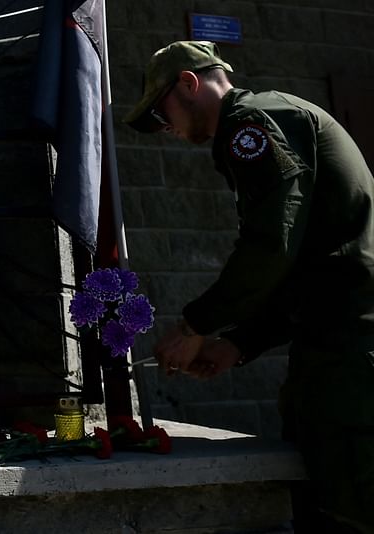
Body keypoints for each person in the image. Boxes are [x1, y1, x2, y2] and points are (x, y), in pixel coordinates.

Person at [124, 40, 374, 533]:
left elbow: (271, 246)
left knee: (353, 511)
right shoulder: (268, 120)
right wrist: (238, 343)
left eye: (160, 112)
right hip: (336, 356)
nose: (165, 130)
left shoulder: (253, 123)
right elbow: (304, 267)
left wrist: (197, 324)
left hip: (353, 362)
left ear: (189, 83)